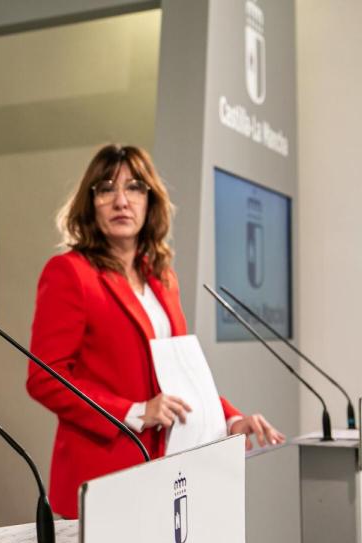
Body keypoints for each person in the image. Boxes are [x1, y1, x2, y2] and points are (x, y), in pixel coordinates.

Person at [26, 144, 284, 518]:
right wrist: (132, 411)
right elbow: (45, 379)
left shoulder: (162, 278)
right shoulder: (69, 273)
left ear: (150, 202)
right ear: (90, 202)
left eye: (134, 188)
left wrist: (230, 420)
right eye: (106, 188)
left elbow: (181, 373)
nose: (121, 201)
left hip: (168, 468)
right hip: (104, 473)